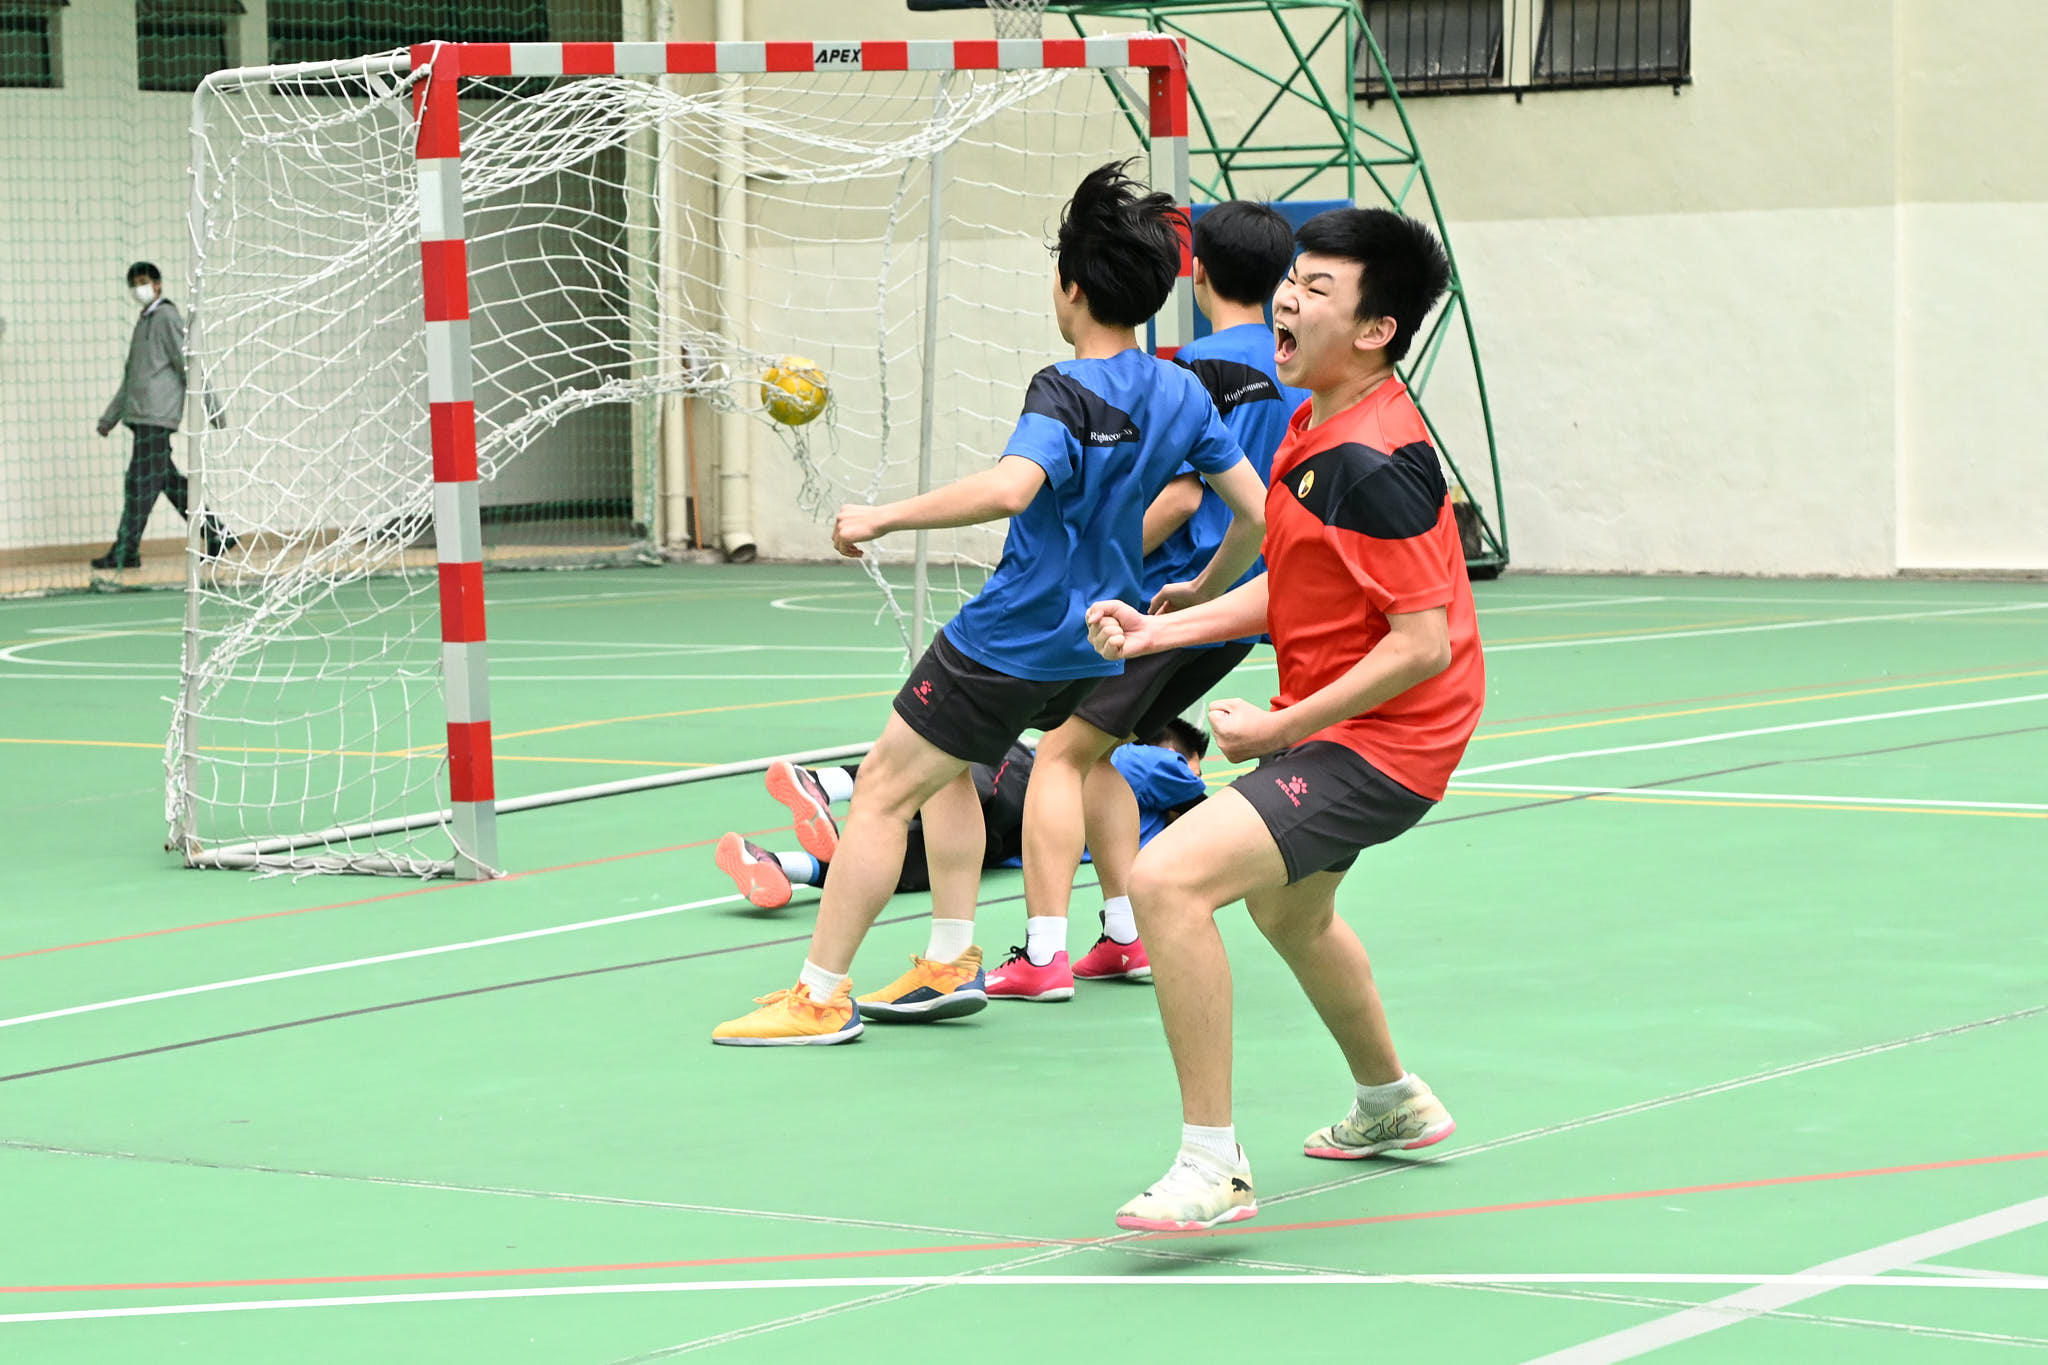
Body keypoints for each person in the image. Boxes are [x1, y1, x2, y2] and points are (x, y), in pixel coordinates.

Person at [710, 161, 1266, 1047]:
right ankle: (948, 959)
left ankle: (819, 996)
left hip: (1012, 634)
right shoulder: (1182, 390)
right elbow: (1256, 514)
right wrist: (1202, 586)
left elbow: (1012, 489)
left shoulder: (1065, 388)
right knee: (949, 771)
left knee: (882, 790)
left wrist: (883, 515)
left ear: (1070, 287)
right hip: (1099, 643)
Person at [1084, 208, 1484, 1231]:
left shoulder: (1371, 460)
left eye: (1318, 288)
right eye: (1292, 279)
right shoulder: (1318, 422)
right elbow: (1302, 583)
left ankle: (1211, 1165)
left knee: (1167, 879)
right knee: (1288, 913)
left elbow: (1420, 643)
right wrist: (1163, 628)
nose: (1288, 299)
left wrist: (1278, 727)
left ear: (1376, 330)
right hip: (1354, 725)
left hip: (1388, 741)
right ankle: (1392, 1100)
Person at [991, 200, 1309, 1002]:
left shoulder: (1191, 369)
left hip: (1166, 605)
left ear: (1196, 275)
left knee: (1059, 753)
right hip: (1242, 606)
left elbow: (1180, 496)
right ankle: (1126, 936)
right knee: (1097, 751)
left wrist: (1095, 563)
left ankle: (1043, 953)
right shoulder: (1296, 365)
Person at [712, 722, 1210, 1006]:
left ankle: (789, 852)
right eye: (1194, 763)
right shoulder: (1150, 763)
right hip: (1015, 788)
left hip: (1004, 830)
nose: (1197, 774)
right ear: (1169, 749)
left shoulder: (1127, 814)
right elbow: (1202, 807)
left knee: (911, 842)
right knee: (944, 771)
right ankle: (817, 802)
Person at [94, 261, 230, 570]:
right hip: (140, 417)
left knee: (140, 485)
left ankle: (126, 551)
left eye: (143, 281)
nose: (138, 288)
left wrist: (213, 408)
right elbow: (131, 379)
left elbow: (188, 363)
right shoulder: (143, 322)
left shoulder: (167, 317)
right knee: (167, 482)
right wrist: (109, 418)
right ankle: (217, 533)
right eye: (133, 283)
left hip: (157, 417)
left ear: (157, 285)